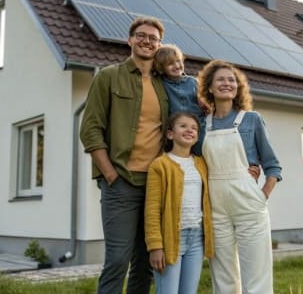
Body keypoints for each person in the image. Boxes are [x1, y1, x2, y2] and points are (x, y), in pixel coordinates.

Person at [80, 16, 169, 294]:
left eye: (152, 38)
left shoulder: (165, 83)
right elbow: (90, 130)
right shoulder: (108, 76)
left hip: (155, 184)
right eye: (141, 36)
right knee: (118, 259)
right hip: (121, 182)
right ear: (129, 40)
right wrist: (110, 174)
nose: (146, 41)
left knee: (145, 262)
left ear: (159, 44)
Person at [197, 60, 282, 294]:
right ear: (210, 88)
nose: (227, 83)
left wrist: (261, 195)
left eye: (231, 80)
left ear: (238, 88)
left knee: (256, 275)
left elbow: (273, 165)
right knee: (222, 275)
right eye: (221, 80)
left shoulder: (251, 120)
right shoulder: (202, 124)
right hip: (216, 206)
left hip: (249, 203)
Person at [145, 112, 214, 294]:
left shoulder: (202, 164)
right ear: (170, 134)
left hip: (197, 239)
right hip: (170, 239)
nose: (189, 130)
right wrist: (155, 247)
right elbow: (151, 210)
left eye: (194, 128)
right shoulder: (160, 165)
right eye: (183, 126)